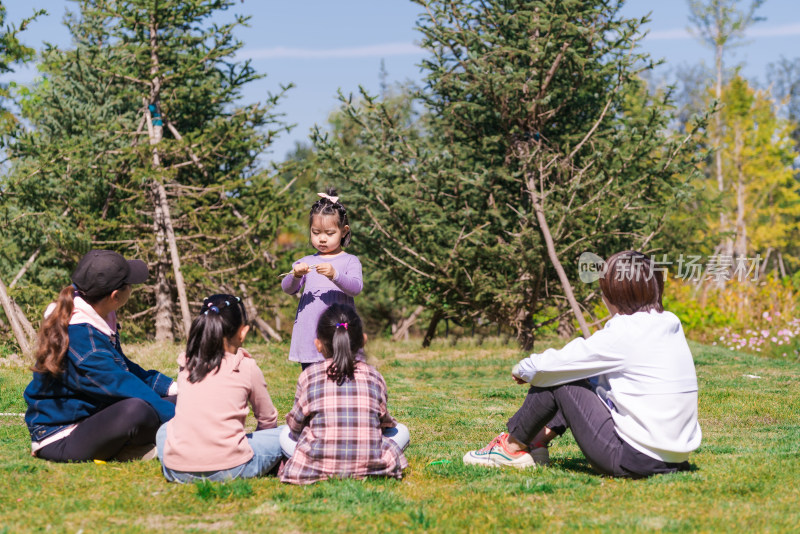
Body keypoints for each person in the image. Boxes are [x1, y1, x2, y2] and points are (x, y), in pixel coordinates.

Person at [463, 250, 702, 478]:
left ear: (611, 295)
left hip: (631, 459)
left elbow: (550, 366)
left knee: (561, 376)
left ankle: (510, 448)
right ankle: (537, 443)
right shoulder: (670, 323)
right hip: (675, 459)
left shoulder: (624, 332)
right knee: (586, 377)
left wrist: (522, 369)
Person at [24, 249, 177, 462]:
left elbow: (123, 368)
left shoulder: (98, 315)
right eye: (130, 284)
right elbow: (125, 384)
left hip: (94, 416)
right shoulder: (84, 342)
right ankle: (129, 448)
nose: (132, 288)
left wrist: (173, 387)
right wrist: (183, 423)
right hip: (61, 436)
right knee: (137, 410)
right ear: (115, 295)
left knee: (180, 399)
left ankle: (128, 447)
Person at [156, 294, 284, 483]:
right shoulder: (246, 366)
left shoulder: (187, 363)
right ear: (243, 332)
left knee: (165, 429)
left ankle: (177, 458)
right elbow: (267, 419)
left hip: (176, 471)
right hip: (232, 468)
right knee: (285, 433)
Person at [279, 304, 409, 485]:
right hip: (369, 463)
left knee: (283, 433)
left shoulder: (309, 375)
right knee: (402, 431)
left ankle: (310, 463)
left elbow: (294, 426)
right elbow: (384, 422)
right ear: (363, 340)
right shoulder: (374, 375)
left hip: (318, 463)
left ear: (318, 344)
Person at [281, 189, 363, 370]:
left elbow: (356, 288)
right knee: (311, 379)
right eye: (316, 232)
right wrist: (295, 276)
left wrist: (335, 275)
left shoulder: (350, 261)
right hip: (309, 336)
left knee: (342, 377)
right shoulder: (307, 262)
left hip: (339, 334)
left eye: (329, 233)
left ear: (343, 231)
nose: (322, 239)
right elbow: (287, 288)